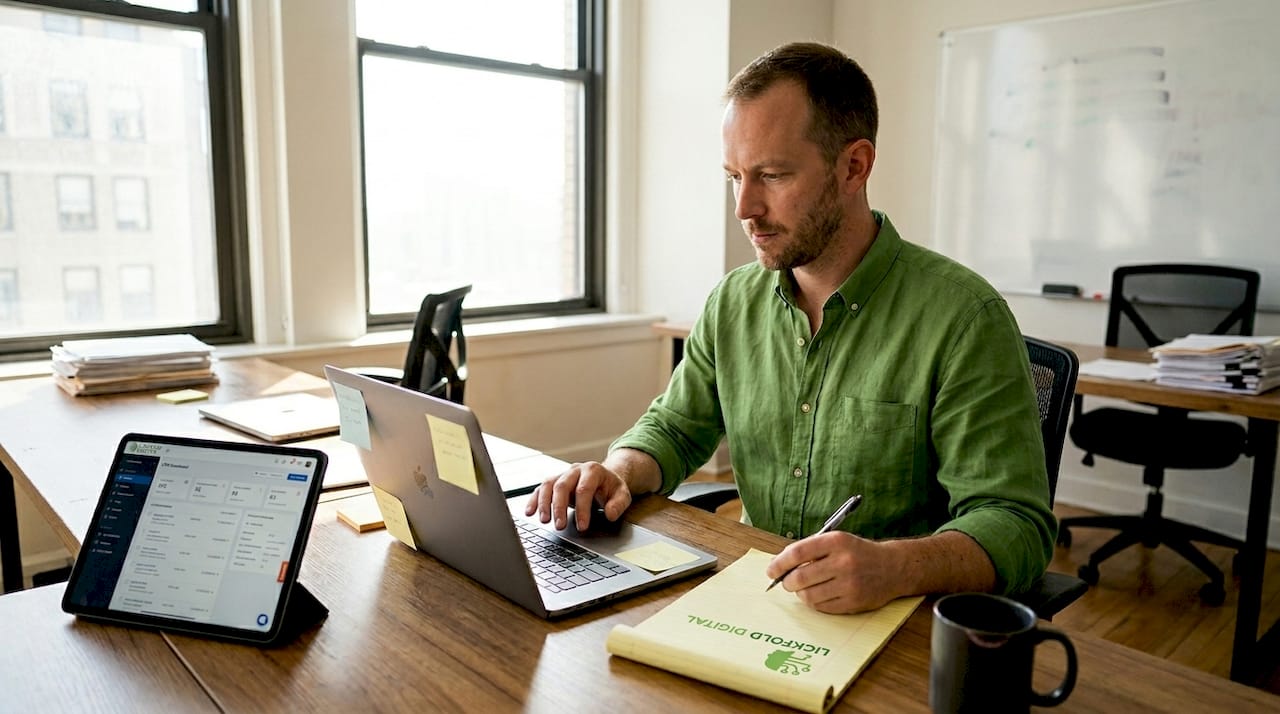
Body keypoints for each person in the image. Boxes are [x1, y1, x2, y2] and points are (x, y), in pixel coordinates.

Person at [526, 42, 1055, 614]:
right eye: (734, 176)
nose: (743, 208)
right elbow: (676, 430)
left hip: (897, 621)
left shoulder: (963, 319)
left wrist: (895, 567)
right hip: (759, 600)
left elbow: (1017, 524)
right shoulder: (733, 302)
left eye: (772, 175)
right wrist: (617, 472)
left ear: (854, 166)